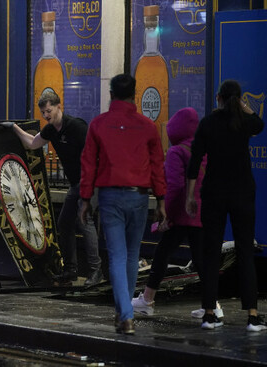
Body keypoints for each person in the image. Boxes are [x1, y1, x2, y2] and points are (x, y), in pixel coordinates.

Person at [79, 74, 166, 334]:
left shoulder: (98, 125)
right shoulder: (148, 127)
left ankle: (125, 315)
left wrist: (85, 199)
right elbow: (157, 167)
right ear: (134, 95)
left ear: (111, 94)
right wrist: (161, 199)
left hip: (110, 197)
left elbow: (88, 164)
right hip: (139, 197)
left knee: (117, 256)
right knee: (131, 255)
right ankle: (124, 312)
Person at [186, 80, 267, 332]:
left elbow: (195, 160)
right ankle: (253, 317)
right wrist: (243, 106)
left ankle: (209, 314)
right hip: (243, 192)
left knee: (211, 252)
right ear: (239, 99)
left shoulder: (208, 123)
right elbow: (260, 124)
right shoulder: (243, 122)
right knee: (245, 252)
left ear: (218, 97)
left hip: (214, 193)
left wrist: (190, 195)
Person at [131, 107, 223, 318]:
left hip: (181, 214)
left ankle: (147, 299)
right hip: (203, 213)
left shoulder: (177, 151)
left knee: (162, 253)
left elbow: (173, 187)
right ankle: (213, 305)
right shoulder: (206, 150)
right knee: (202, 260)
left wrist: (167, 215)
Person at [11, 89, 103, 286]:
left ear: (58, 106)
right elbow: (32, 144)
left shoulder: (76, 126)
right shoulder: (51, 129)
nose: (46, 115)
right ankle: (70, 270)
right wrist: (14, 128)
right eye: (43, 112)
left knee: (84, 221)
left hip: (91, 181)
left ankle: (96, 271)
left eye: (49, 110)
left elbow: (95, 155)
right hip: (75, 184)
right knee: (64, 223)